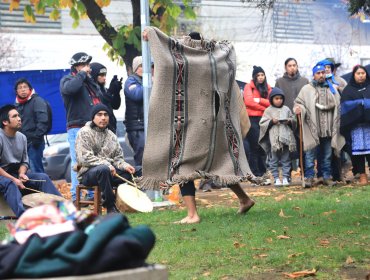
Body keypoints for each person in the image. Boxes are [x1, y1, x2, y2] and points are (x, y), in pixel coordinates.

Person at [141, 27, 256, 224]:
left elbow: (167, 62)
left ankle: (193, 215)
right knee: (220, 165)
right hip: (215, 124)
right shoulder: (216, 58)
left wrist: (152, 33)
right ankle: (244, 199)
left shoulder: (187, 61)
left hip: (194, 124)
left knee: (184, 166)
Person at [75, 104, 140, 213]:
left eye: (106, 115)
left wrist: (125, 165)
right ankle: (110, 206)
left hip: (110, 173)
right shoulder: (84, 132)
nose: (103, 118)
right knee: (103, 169)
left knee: (139, 170)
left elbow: (118, 158)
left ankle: (135, 203)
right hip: (89, 174)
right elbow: (84, 158)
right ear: (93, 117)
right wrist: (107, 165)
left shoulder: (111, 135)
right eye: (99, 115)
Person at [0, 105, 61, 217]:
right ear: (5, 122)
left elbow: (24, 161)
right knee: (10, 183)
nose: (19, 119)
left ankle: (62, 210)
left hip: (14, 173)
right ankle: (25, 217)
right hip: (2, 175)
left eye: (19, 115)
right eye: (14, 116)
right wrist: (14, 179)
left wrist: (22, 174)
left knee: (43, 177)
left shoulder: (22, 137)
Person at [60, 52, 102, 203]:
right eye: (84, 65)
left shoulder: (88, 82)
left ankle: (92, 196)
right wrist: (82, 75)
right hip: (76, 128)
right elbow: (70, 89)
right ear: (76, 66)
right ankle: (75, 198)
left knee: (93, 161)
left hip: (93, 128)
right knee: (77, 163)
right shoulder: (68, 79)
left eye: (88, 65)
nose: (88, 68)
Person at [293, 64, 345, 187]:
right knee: (310, 154)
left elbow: (338, 103)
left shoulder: (331, 88)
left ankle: (326, 177)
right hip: (312, 127)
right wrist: (298, 109)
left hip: (328, 127)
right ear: (314, 75)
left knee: (327, 154)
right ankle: (309, 177)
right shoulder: (306, 89)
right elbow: (298, 102)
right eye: (318, 73)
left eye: (323, 72)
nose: (321, 75)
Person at [259, 88, 296, 186]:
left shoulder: (287, 109)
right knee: (273, 160)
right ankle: (275, 178)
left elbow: (293, 119)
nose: (279, 100)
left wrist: (290, 121)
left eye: (281, 98)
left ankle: (285, 177)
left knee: (286, 160)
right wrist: (271, 121)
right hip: (274, 141)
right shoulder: (268, 110)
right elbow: (262, 123)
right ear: (272, 99)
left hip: (286, 140)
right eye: (276, 98)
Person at [340, 65, 370, 185]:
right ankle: (362, 175)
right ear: (354, 75)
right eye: (358, 73)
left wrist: (364, 103)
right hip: (355, 127)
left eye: (363, 73)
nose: (361, 75)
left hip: (369, 126)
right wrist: (361, 103)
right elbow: (345, 106)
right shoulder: (348, 90)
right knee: (359, 152)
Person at [14, 78, 49, 173]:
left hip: (34, 143)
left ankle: (42, 187)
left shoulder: (37, 101)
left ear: (30, 89)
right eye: (20, 88)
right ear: (16, 91)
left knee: (36, 170)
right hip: (21, 144)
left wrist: (35, 138)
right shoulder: (16, 105)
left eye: (25, 87)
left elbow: (43, 121)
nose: (23, 89)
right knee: (24, 172)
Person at [243, 66, 272, 178]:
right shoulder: (248, 87)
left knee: (263, 146)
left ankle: (263, 171)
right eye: (258, 75)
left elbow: (271, 102)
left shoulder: (268, 88)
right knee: (254, 146)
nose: (260, 77)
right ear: (254, 76)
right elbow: (249, 102)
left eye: (262, 75)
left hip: (265, 120)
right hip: (252, 120)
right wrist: (264, 108)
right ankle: (255, 172)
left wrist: (259, 100)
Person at [123, 56, 147, 166]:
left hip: (146, 126)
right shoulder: (131, 81)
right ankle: (141, 181)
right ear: (137, 68)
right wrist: (149, 81)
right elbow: (137, 95)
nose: (148, 68)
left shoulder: (145, 80)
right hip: (137, 128)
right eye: (144, 66)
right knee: (142, 158)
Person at [90, 62, 122, 134]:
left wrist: (116, 92)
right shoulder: (91, 91)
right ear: (94, 75)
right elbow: (101, 104)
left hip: (110, 128)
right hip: (98, 130)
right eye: (101, 75)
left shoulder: (105, 90)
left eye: (105, 75)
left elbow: (115, 106)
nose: (104, 78)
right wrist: (110, 91)